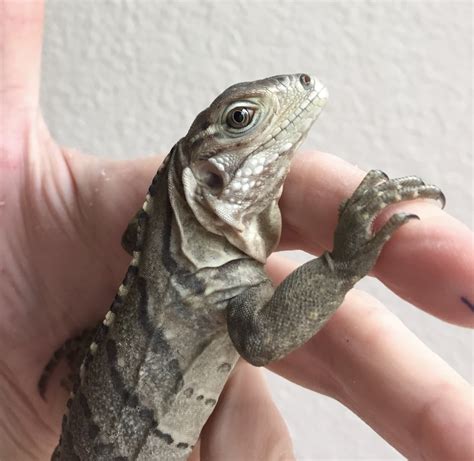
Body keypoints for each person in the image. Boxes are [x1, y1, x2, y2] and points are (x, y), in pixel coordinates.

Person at [1, 2, 472, 460]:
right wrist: (344, 261)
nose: (302, 86)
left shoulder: (199, 280)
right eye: (241, 119)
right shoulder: (208, 285)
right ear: (209, 177)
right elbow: (261, 338)